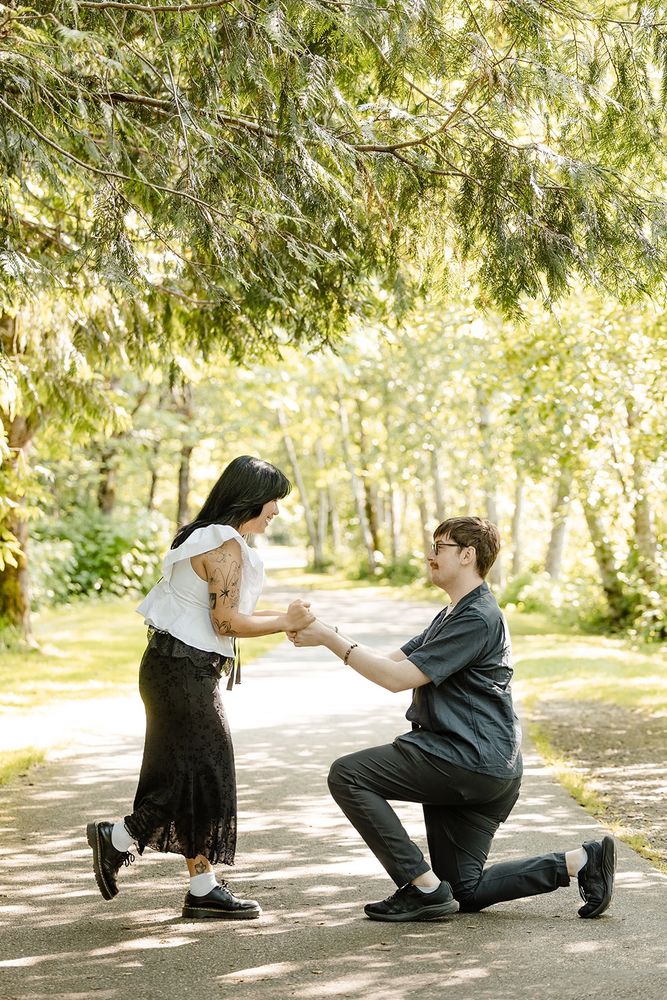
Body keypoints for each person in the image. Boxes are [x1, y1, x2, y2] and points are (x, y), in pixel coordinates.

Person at [289, 516, 616, 923]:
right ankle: (579, 861)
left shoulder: (476, 618)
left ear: (467, 555)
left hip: (465, 759)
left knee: (348, 775)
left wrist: (328, 638)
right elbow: (392, 661)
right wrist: (325, 633)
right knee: (464, 891)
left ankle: (420, 887)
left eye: (439, 547)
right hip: (485, 767)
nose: (429, 555)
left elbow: (396, 679)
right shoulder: (454, 613)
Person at [86, 455, 314, 920]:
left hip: (177, 667)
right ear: (250, 497)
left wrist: (279, 621)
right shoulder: (224, 545)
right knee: (201, 774)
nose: (277, 511)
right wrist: (284, 622)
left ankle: (202, 886)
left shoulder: (209, 537)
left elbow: (218, 618)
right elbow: (225, 620)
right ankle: (119, 838)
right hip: (182, 670)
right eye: (274, 501)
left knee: (194, 774)